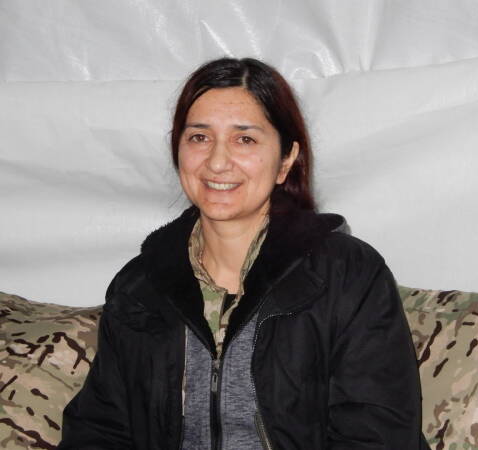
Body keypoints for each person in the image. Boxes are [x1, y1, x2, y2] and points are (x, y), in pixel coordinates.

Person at [58, 57, 430, 450]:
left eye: (245, 140)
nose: (217, 162)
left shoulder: (347, 275)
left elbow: (377, 436)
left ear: (286, 160)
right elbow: (99, 431)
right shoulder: (139, 288)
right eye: (199, 137)